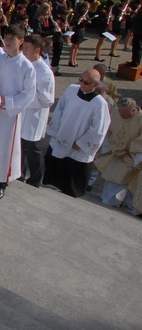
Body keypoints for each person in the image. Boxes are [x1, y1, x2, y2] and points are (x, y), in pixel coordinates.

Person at [0, 25, 36, 201]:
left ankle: (1, 182)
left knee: (4, 148)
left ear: (21, 41)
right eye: (5, 37)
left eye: (12, 38)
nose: (7, 41)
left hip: (8, 113)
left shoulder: (26, 67)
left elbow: (29, 93)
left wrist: (8, 101)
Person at [44, 68, 111, 198]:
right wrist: (57, 130)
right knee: (55, 165)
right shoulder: (71, 89)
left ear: (95, 85)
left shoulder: (100, 104)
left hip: (78, 146)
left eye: (86, 82)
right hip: (62, 136)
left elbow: (98, 129)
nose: (82, 84)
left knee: (72, 174)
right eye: (81, 80)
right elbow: (59, 109)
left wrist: (81, 143)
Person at [19, 35, 55, 187]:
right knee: (20, 146)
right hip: (22, 113)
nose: (23, 51)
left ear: (37, 50)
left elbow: (47, 99)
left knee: (33, 148)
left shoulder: (45, 72)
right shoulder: (23, 63)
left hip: (34, 115)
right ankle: (19, 173)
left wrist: (26, 95)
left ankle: (35, 179)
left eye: (26, 48)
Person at [94, 98, 142, 209]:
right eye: (120, 112)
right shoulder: (115, 112)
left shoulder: (140, 119)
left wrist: (135, 155)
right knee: (110, 176)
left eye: (125, 114)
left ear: (133, 110)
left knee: (123, 180)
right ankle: (108, 199)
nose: (122, 116)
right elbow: (108, 130)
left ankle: (118, 201)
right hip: (113, 152)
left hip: (130, 157)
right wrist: (106, 147)